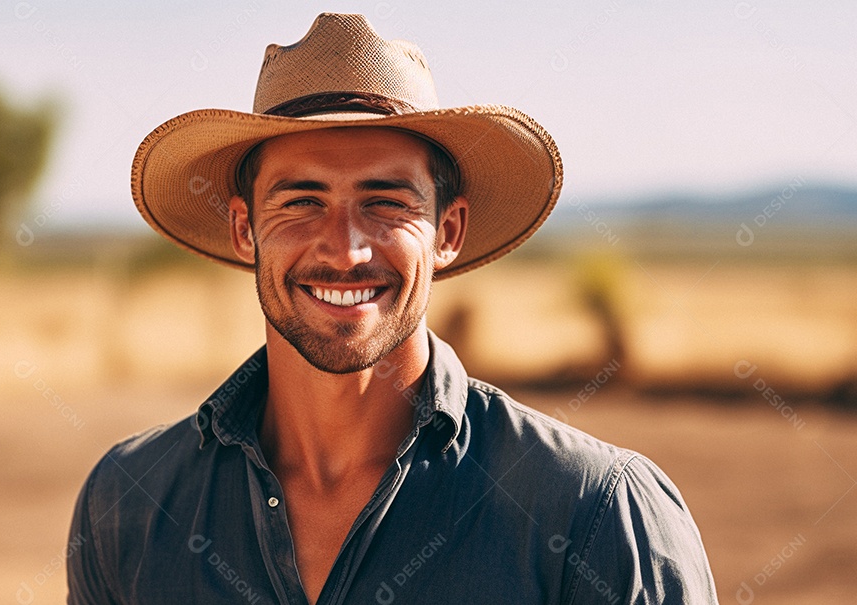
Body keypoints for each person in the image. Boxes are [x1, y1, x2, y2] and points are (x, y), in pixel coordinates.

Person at [67, 12, 718, 604]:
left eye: (386, 200)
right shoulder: (129, 505)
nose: (346, 250)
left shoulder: (596, 515)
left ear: (448, 232)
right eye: (301, 200)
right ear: (244, 229)